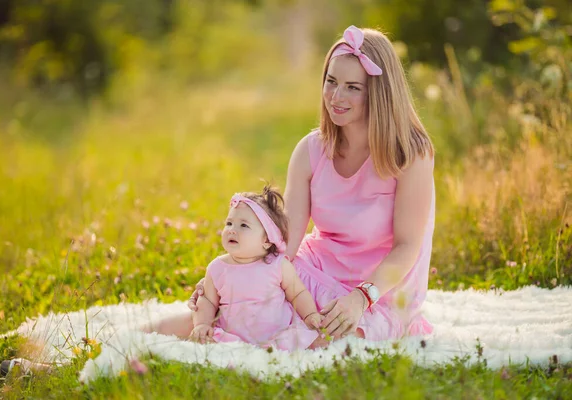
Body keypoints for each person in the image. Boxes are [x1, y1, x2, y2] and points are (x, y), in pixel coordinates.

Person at [188, 25, 435, 342]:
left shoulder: (411, 154)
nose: (336, 96)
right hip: (315, 271)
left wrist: (360, 298)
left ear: (379, 93)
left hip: (381, 290)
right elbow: (283, 241)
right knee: (235, 319)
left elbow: (407, 246)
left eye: (352, 87)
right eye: (331, 82)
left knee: (321, 343)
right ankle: (127, 347)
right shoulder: (311, 149)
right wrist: (229, 278)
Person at [183, 186, 325, 350]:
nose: (232, 230)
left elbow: (298, 293)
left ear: (266, 240)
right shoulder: (217, 268)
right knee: (214, 346)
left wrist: (310, 315)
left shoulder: (278, 265)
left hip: (279, 334)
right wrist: (202, 324)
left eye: (243, 225)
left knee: (312, 340)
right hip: (233, 338)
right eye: (229, 223)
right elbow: (207, 300)